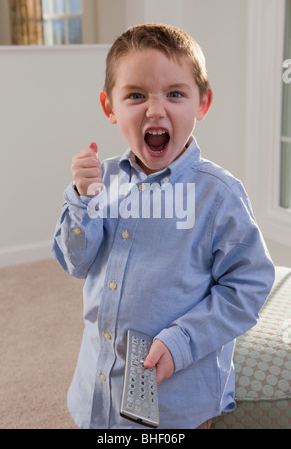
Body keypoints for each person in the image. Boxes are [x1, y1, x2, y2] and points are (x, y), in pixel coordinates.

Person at [52, 24, 275, 429]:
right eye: (136, 95)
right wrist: (82, 200)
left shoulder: (219, 195)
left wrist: (181, 342)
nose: (155, 110)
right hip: (97, 390)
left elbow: (249, 285)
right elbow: (75, 262)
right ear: (110, 107)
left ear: (202, 104)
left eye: (174, 94)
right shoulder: (101, 181)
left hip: (177, 402)